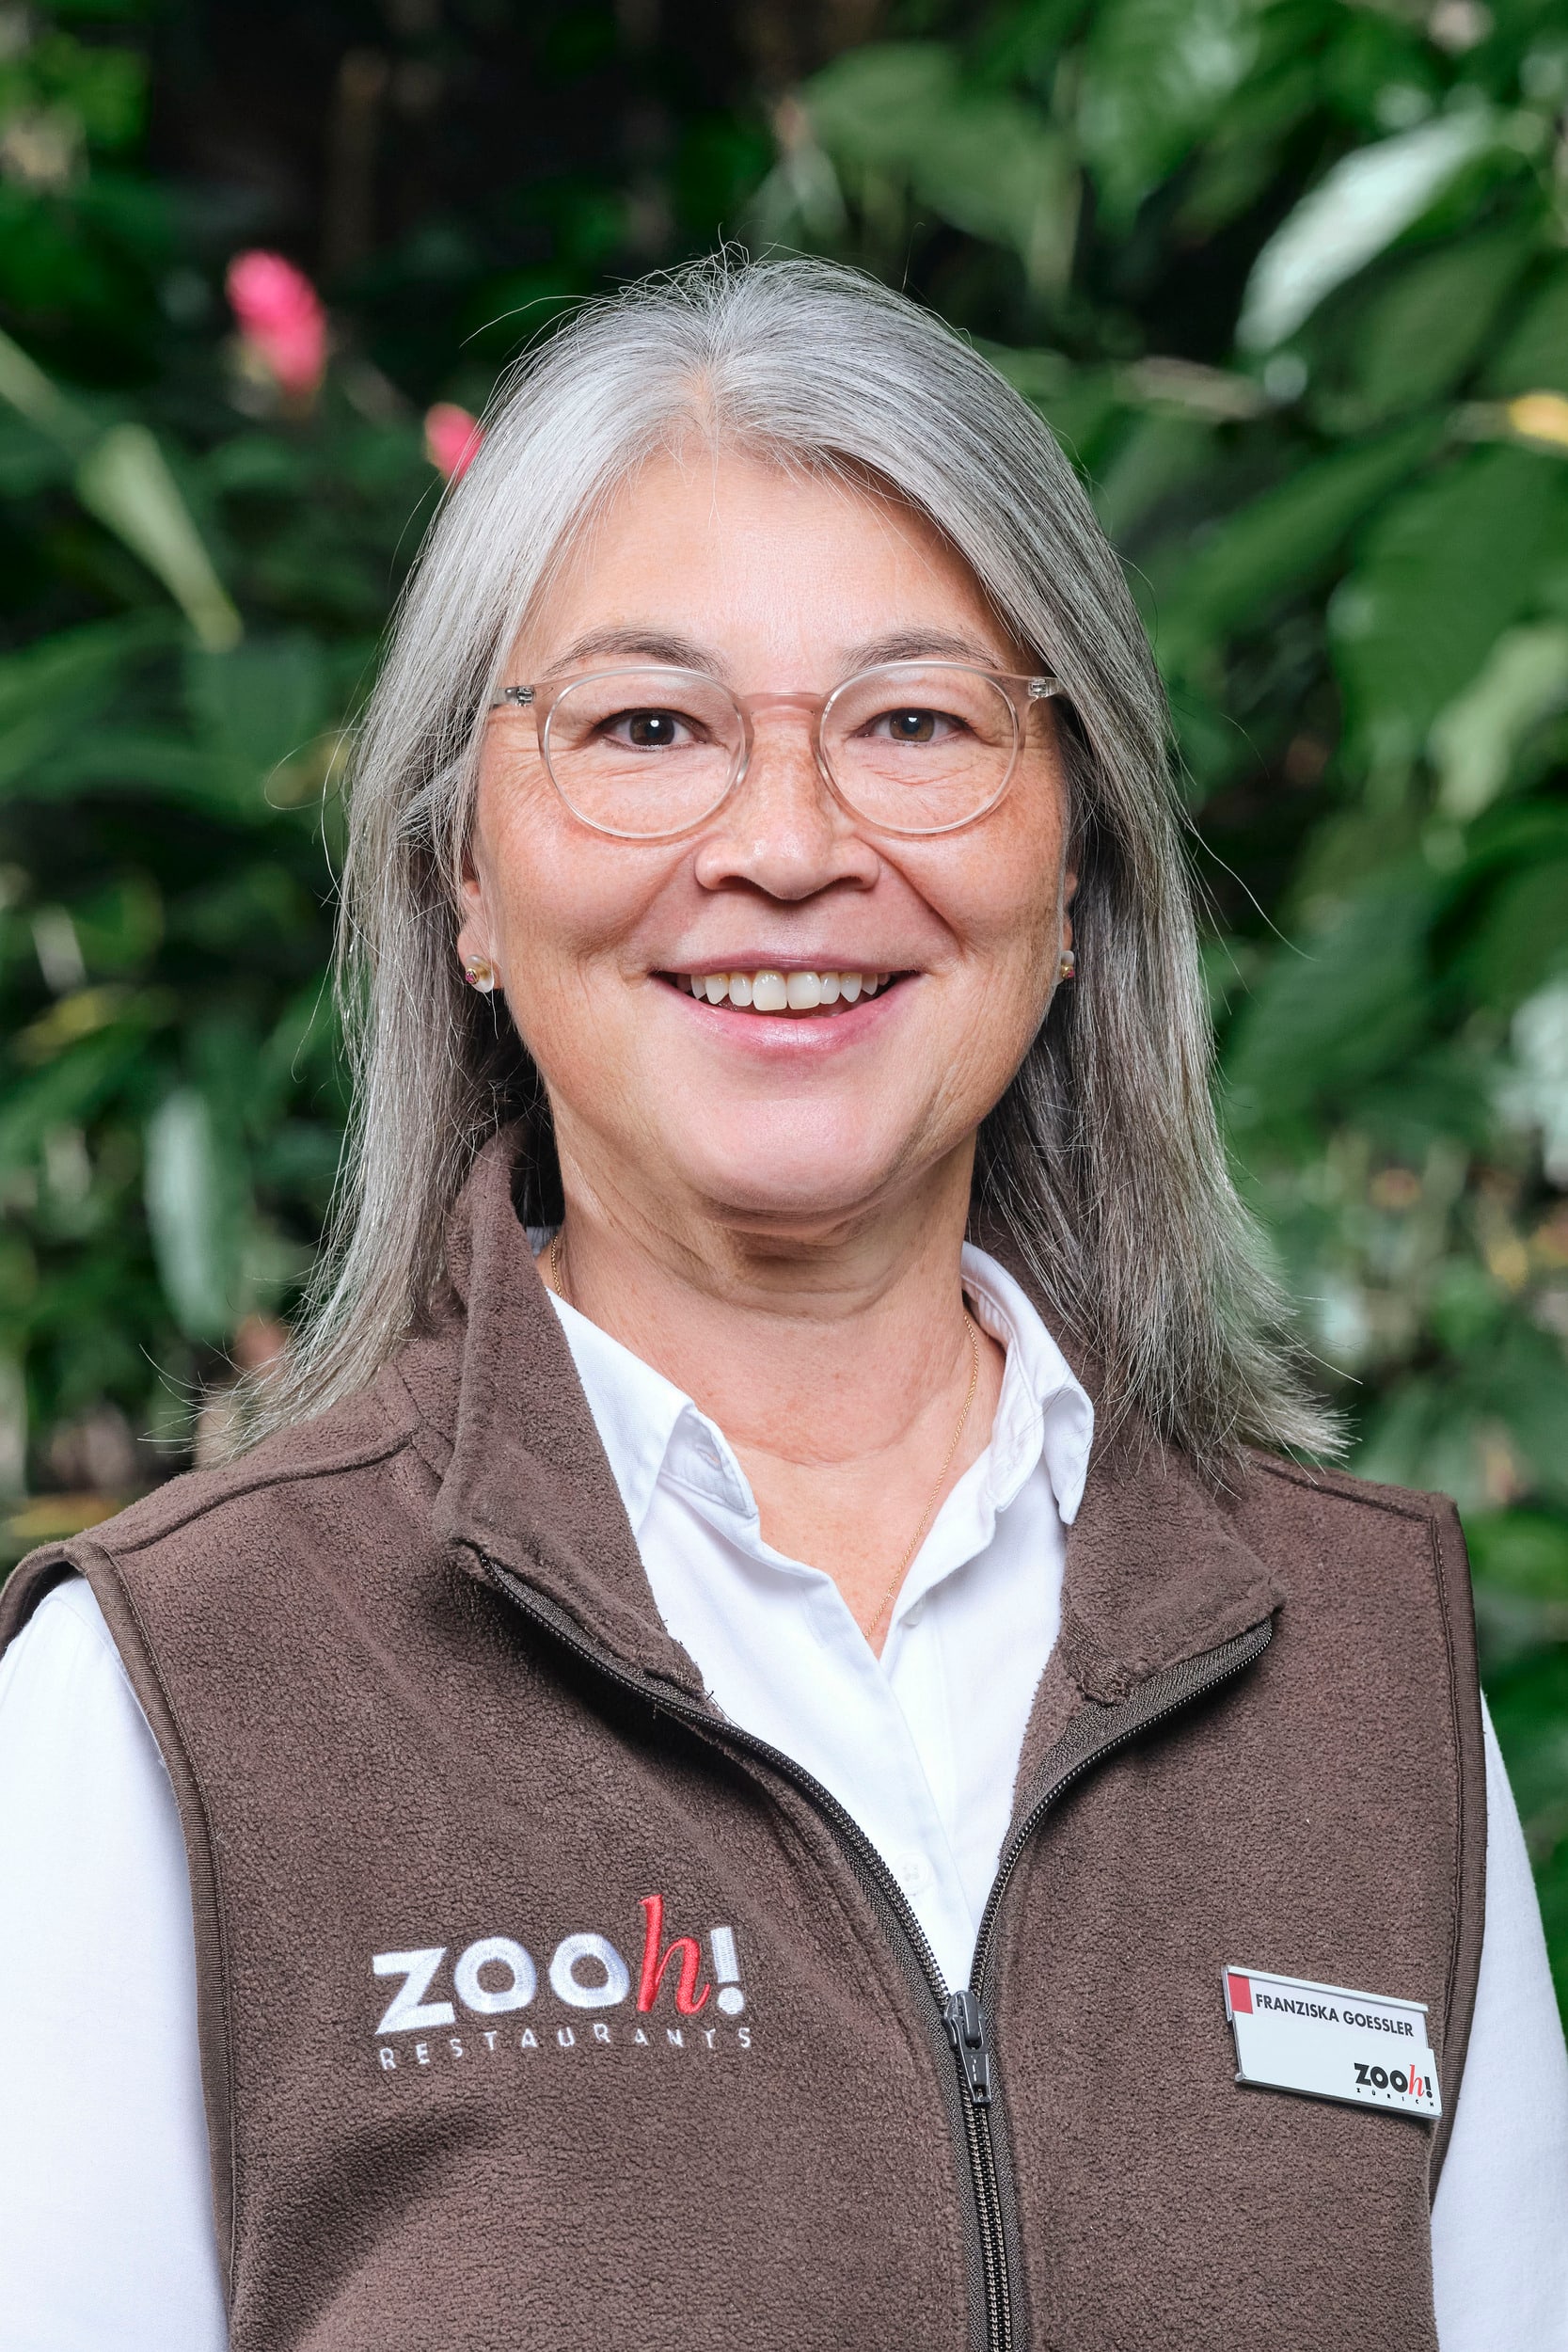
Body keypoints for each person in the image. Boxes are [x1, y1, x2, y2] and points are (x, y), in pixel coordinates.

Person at [0, 257, 1563, 2352]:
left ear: (1077, 861)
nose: (792, 842)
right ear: (465, 876)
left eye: (915, 722)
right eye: (650, 726)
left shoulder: (1370, 1685)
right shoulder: (169, 1708)